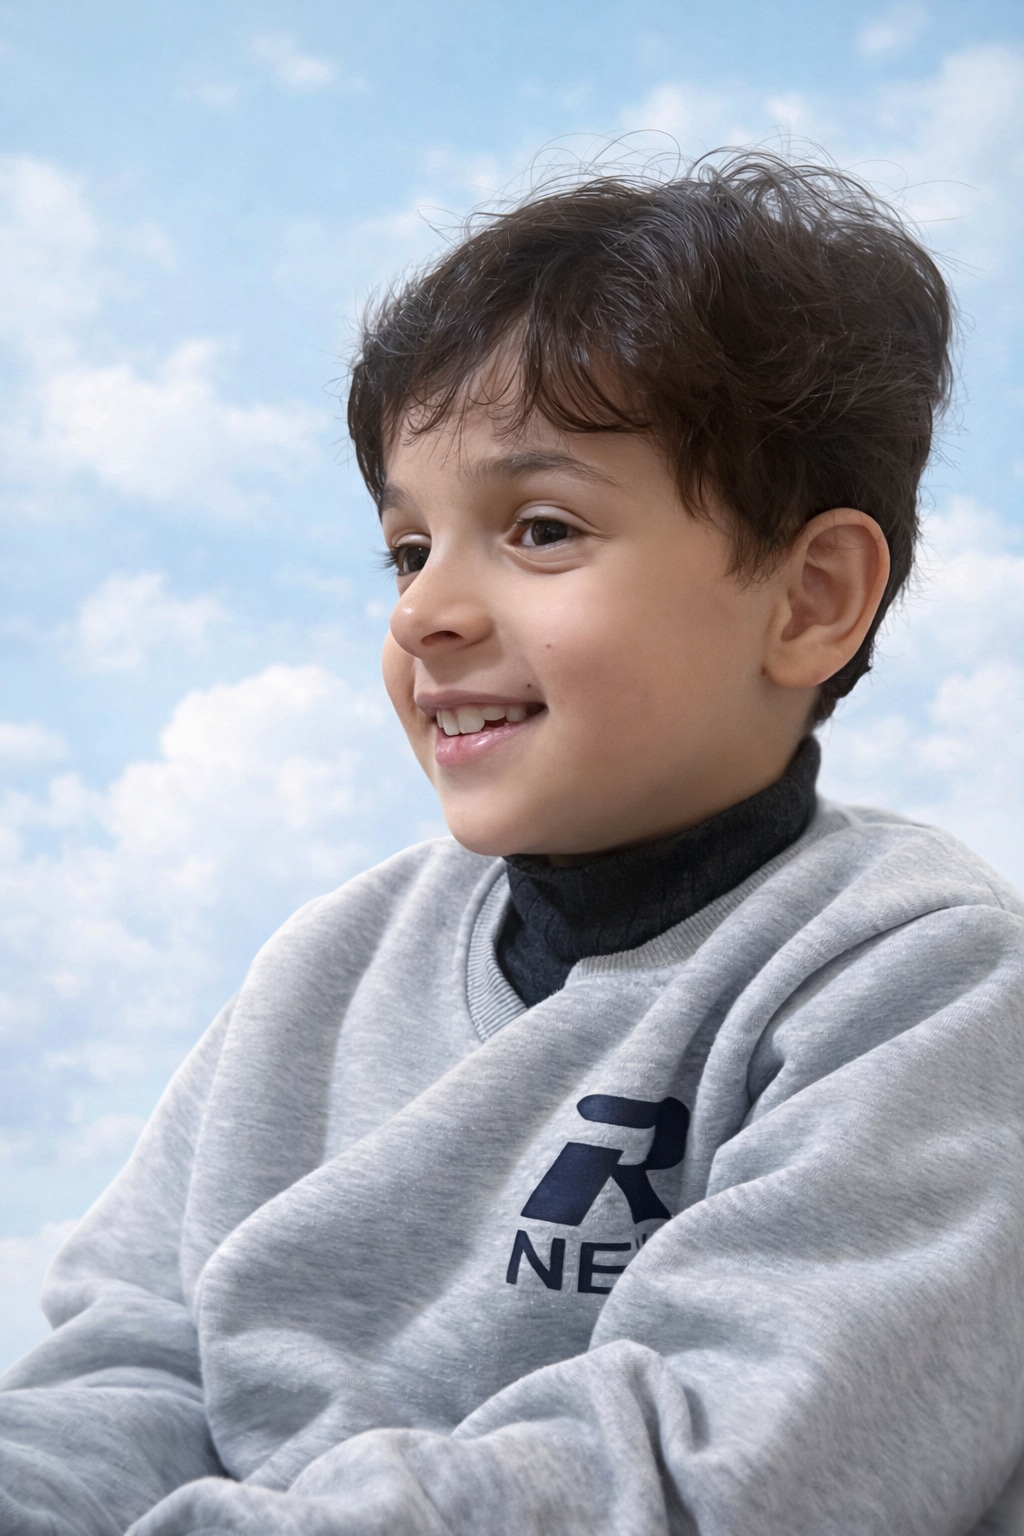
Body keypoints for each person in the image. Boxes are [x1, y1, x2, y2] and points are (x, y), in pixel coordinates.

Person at [3, 150, 1024, 1536]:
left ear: (810, 598)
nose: (424, 612)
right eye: (407, 549)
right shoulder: (321, 975)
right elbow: (126, 1368)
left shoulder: (919, 984)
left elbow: (724, 1469)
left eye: (540, 530)